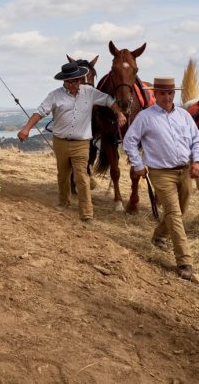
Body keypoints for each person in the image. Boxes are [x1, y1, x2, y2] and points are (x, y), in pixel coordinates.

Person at [18, 61, 126, 222]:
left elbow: (109, 101)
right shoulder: (54, 95)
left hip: (81, 143)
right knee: (62, 175)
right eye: (71, 81)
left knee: (82, 177)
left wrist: (119, 114)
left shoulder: (89, 92)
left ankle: (87, 213)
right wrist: (26, 129)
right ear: (65, 82)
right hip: (60, 142)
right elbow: (40, 113)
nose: (75, 83)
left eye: (77, 80)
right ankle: (64, 202)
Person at [122, 78, 199, 280]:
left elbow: (196, 138)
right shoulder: (145, 117)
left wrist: (196, 161)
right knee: (173, 214)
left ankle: (159, 236)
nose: (167, 97)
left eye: (170, 93)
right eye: (163, 93)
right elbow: (129, 141)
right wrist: (138, 165)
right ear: (155, 94)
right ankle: (185, 261)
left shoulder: (184, 115)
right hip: (160, 173)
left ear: (175, 93)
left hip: (184, 171)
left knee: (180, 211)